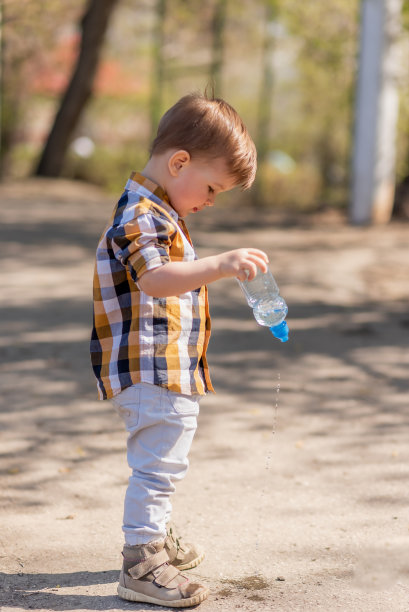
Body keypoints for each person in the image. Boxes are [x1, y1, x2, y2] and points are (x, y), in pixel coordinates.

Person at [90, 91, 268, 608]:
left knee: (165, 461)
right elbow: (157, 280)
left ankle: (155, 537)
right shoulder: (143, 216)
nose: (211, 200)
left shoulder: (156, 211)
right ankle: (141, 562)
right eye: (212, 187)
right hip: (149, 369)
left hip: (164, 367)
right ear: (179, 162)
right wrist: (221, 263)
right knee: (159, 466)